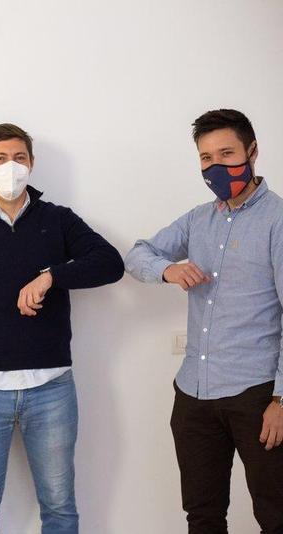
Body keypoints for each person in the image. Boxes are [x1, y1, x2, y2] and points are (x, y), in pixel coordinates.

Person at [0, 123, 124, 534]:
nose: (11, 167)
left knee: (60, 508)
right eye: (0, 158)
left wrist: (51, 276)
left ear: (31, 163)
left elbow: (110, 263)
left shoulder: (58, 221)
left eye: (19, 158)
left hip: (51, 388)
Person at [124, 109, 283, 533]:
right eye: (206, 158)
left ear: (252, 151)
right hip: (193, 394)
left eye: (226, 154)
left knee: (276, 515)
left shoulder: (278, 221)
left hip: (257, 395)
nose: (216, 167)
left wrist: (281, 401)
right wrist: (167, 270)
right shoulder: (198, 219)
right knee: (202, 516)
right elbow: (137, 254)